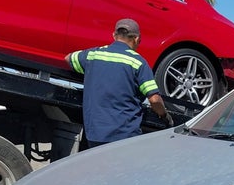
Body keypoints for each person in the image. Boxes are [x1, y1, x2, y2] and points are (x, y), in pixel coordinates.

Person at [65, 18, 173, 148]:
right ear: (137, 39)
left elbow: (68, 58)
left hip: (94, 135)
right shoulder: (138, 62)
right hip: (124, 137)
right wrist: (164, 115)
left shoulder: (93, 55)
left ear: (114, 35)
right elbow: (155, 100)